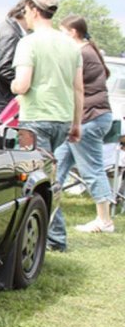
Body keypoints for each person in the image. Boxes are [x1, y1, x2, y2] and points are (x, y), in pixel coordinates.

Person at [10, 0, 83, 251]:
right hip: (62, 119)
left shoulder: (28, 43)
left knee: (36, 181)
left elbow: (22, 84)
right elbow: (78, 88)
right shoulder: (71, 44)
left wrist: (13, 86)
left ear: (33, 10)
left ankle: (50, 238)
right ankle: (54, 236)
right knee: (52, 179)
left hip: (35, 119)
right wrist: (76, 123)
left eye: (26, 10)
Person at [49, 15, 115, 235]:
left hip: (88, 119)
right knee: (56, 166)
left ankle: (105, 221)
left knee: (92, 170)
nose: (60, 36)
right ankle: (48, 212)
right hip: (90, 117)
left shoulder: (81, 53)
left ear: (73, 32)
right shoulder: (89, 51)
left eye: (62, 32)